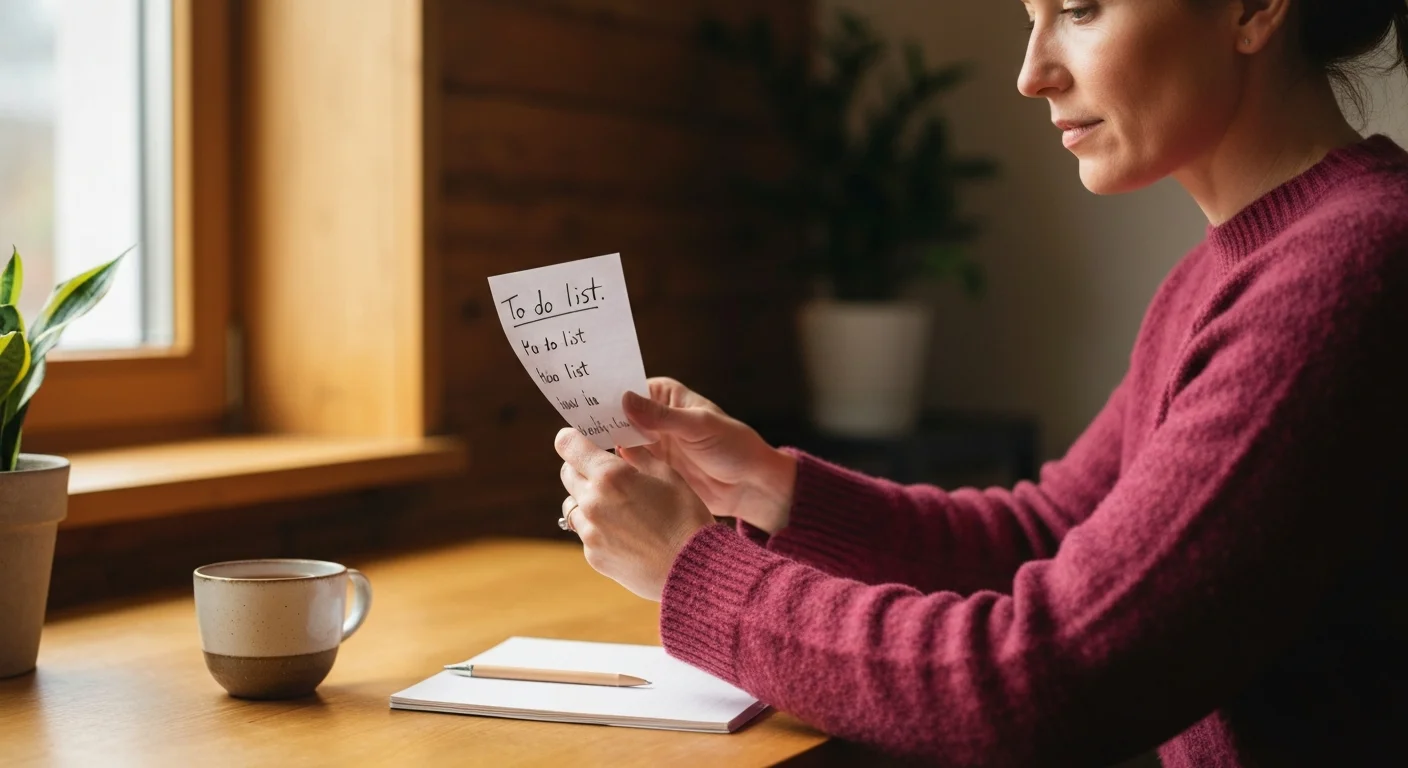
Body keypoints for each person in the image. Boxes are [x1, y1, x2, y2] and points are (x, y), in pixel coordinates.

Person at [553, 0, 1408, 765]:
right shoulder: (1222, 276)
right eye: (1027, 18)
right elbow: (1051, 532)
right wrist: (771, 488)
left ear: (1253, 9)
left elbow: (1050, 677)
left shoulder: (1347, 271)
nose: (1032, 74)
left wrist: (689, 572)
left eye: (1078, 9)